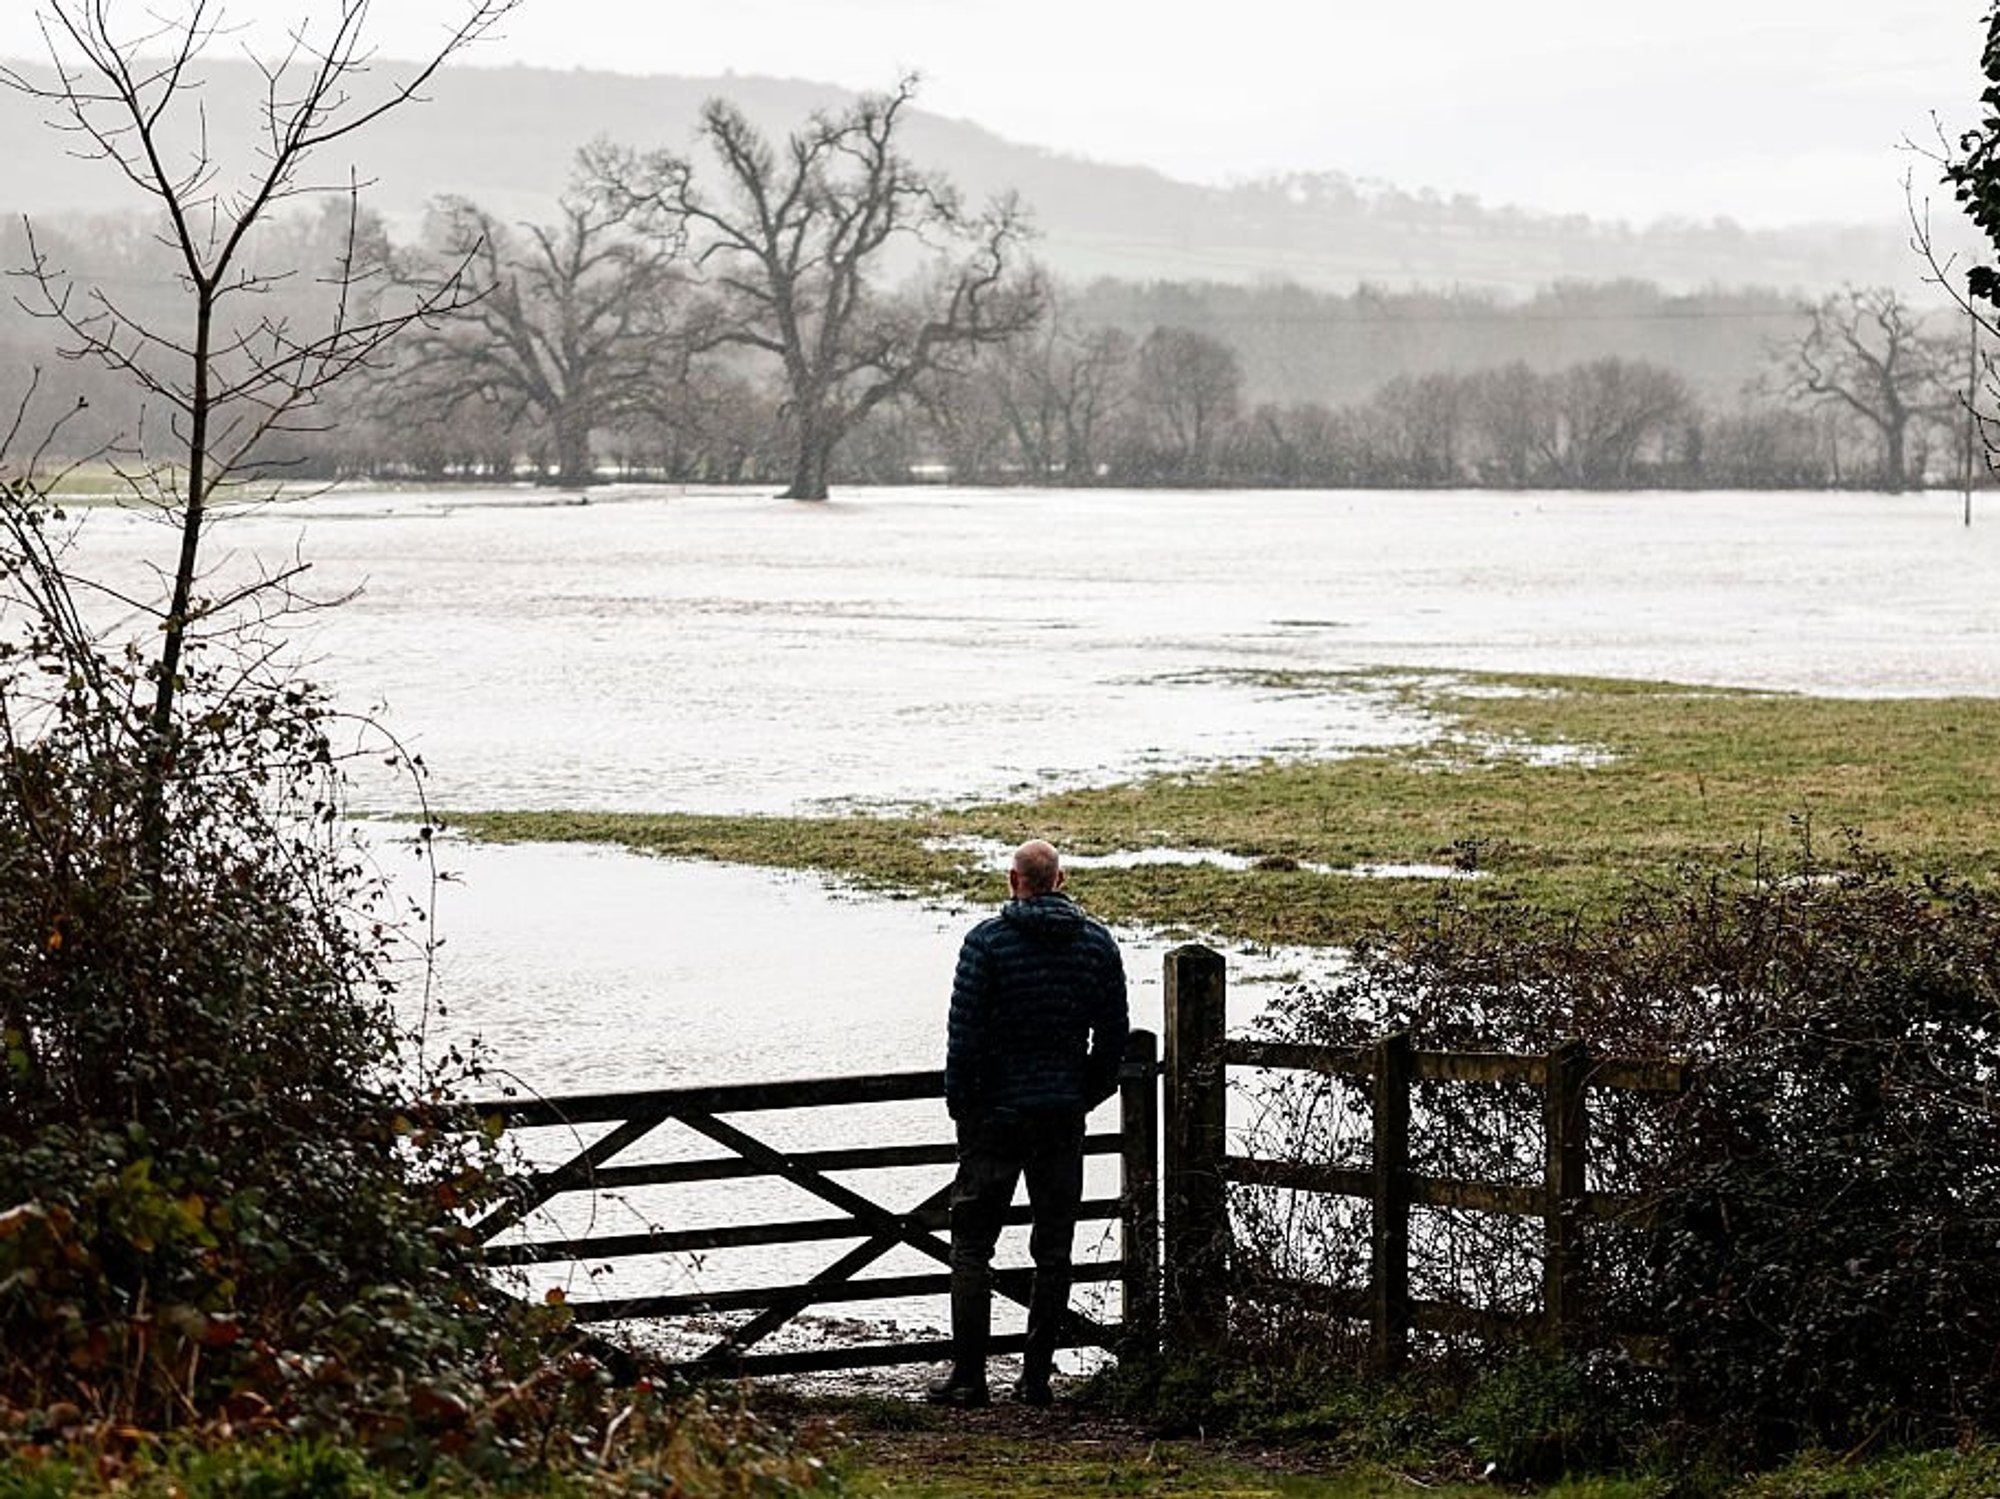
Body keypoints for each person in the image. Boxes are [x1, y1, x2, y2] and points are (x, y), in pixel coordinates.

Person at [926, 839, 1129, 1408]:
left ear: (1013, 880)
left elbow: (963, 1037)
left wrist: (963, 1108)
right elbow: (1113, 1036)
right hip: (1060, 1115)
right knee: (1054, 1249)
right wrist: (1084, 1094)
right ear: (1060, 880)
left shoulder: (986, 943)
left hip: (995, 1115)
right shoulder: (1096, 944)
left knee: (972, 1245)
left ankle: (970, 1377)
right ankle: (1035, 1379)